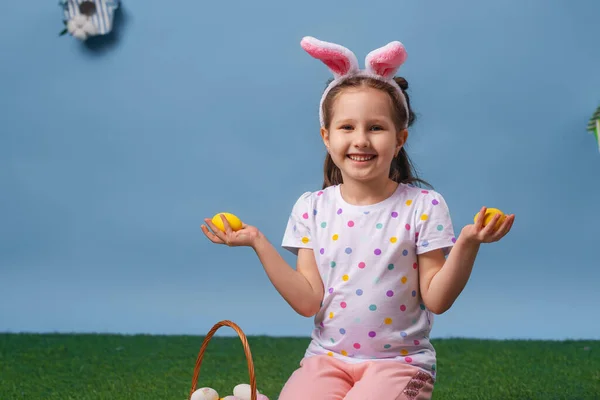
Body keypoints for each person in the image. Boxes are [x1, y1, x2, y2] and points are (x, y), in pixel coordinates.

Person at [201, 36, 515, 400]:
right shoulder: (311, 208)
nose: (361, 140)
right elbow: (307, 301)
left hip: (400, 364)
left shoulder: (424, 206)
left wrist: (467, 243)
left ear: (400, 139)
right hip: (326, 360)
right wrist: (257, 241)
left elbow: (437, 299)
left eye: (376, 128)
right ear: (326, 136)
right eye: (347, 127)